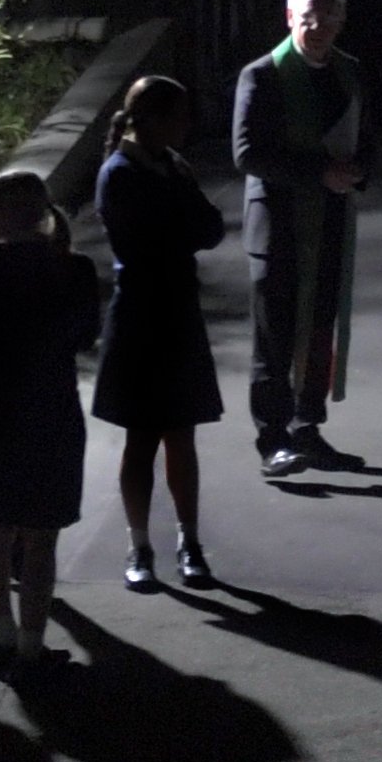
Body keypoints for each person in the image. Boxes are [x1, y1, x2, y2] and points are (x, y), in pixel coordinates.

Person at [0, 169, 101, 678]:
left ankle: (2, 639)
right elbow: (84, 338)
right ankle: (33, 649)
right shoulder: (76, 270)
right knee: (42, 537)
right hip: (54, 409)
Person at [94, 74, 228, 593]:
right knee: (143, 436)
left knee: (181, 433)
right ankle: (139, 544)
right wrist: (183, 221)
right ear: (152, 118)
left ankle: (188, 541)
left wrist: (181, 221)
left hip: (173, 310)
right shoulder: (122, 172)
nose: (187, 124)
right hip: (143, 315)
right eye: (178, 114)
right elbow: (158, 238)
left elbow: (209, 231)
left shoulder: (170, 167)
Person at [235, 0, 369, 477]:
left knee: (319, 332)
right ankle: (273, 439)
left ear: (339, 24)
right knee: (275, 338)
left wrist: (359, 170)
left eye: (326, 19)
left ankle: (307, 428)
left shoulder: (349, 72)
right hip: (279, 227)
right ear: (290, 18)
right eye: (307, 17)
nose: (316, 28)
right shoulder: (263, 74)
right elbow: (246, 153)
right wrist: (319, 173)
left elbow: (366, 137)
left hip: (332, 219)